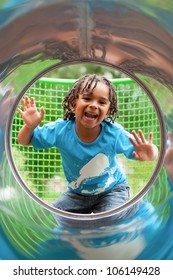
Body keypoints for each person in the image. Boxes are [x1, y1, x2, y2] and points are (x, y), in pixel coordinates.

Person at [17, 74, 158, 214]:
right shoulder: (60, 130)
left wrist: (151, 153)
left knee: (109, 217)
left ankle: (136, 210)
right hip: (77, 194)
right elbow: (25, 140)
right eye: (87, 98)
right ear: (73, 104)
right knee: (57, 213)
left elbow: (144, 153)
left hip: (112, 191)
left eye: (101, 102)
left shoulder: (113, 133)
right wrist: (30, 127)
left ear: (108, 111)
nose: (93, 105)